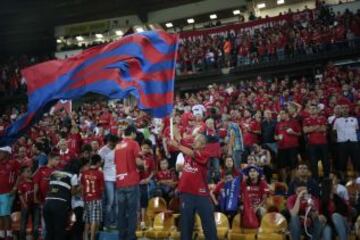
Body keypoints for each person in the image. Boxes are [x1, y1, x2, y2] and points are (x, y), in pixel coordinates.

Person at [169, 134, 217, 240]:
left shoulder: (205, 154)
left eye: (198, 141)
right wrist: (178, 137)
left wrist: (177, 145)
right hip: (186, 194)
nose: (194, 142)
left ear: (204, 145)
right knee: (186, 225)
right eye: (194, 140)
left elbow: (191, 152)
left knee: (208, 224)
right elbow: (186, 146)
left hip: (201, 195)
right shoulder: (188, 155)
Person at [114, 125, 144, 240]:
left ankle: (121, 236)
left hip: (120, 182)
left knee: (121, 212)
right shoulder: (133, 143)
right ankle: (131, 237)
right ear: (131, 133)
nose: (136, 136)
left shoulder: (117, 146)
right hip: (131, 181)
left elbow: (116, 163)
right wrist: (143, 167)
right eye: (135, 133)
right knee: (132, 212)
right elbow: (138, 162)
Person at [43, 161, 80, 240]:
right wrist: (79, 188)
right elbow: (73, 193)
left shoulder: (54, 173)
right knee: (59, 231)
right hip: (60, 204)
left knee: (49, 231)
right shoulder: (73, 175)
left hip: (47, 203)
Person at [33, 152, 60, 240]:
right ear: (50, 159)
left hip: (55, 202)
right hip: (43, 201)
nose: (58, 162)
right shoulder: (41, 170)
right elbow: (36, 184)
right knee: (44, 225)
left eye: (59, 160)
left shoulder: (58, 171)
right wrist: (35, 197)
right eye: (56, 159)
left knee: (55, 224)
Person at [303, 104, 329, 180]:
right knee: (313, 163)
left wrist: (311, 128)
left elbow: (324, 129)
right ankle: (315, 180)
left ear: (317, 110)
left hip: (323, 143)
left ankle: (326, 179)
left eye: (314, 108)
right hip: (312, 144)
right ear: (308, 110)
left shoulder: (323, 118)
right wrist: (318, 126)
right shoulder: (306, 119)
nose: (313, 110)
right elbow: (305, 130)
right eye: (311, 109)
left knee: (326, 162)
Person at [81, 155, 104, 240]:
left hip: (86, 198)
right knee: (94, 219)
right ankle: (92, 238)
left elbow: (82, 186)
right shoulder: (100, 173)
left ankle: (85, 237)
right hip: (96, 198)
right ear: (98, 163)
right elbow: (102, 188)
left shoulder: (84, 173)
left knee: (87, 219)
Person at [98, 134, 118, 230]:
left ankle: (115, 222)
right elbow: (99, 164)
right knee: (110, 201)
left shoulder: (118, 149)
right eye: (111, 143)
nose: (112, 144)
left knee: (116, 202)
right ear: (108, 141)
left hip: (117, 178)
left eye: (114, 143)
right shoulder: (102, 151)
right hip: (107, 178)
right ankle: (107, 223)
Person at [333, 105, 360, 177]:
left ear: (349, 109)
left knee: (356, 160)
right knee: (342, 160)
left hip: (353, 142)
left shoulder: (354, 119)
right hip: (342, 143)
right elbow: (334, 131)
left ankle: (358, 176)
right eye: (343, 108)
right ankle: (343, 177)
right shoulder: (337, 120)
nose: (345, 109)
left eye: (346, 108)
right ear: (341, 109)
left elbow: (357, 129)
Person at [0, 146, 20, 240]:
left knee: (5, 214)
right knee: (0, 214)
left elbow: (19, 176)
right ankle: (1, 234)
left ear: (7, 153)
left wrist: (15, 188)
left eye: (1, 152)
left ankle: (9, 234)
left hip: (7, 192)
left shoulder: (14, 162)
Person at [139, 139, 155, 229]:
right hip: (137, 183)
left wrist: (148, 179)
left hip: (145, 183)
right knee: (138, 203)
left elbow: (153, 171)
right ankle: (137, 222)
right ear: (141, 147)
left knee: (144, 203)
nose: (146, 150)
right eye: (144, 148)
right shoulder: (137, 157)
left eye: (147, 148)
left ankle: (143, 222)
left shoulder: (150, 158)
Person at [18, 166, 36, 240]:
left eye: (30, 171)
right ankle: (22, 238)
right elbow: (20, 195)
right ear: (22, 174)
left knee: (35, 223)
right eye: (27, 171)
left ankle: (32, 237)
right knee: (23, 223)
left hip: (34, 205)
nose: (30, 172)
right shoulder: (21, 184)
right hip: (25, 205)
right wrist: (24, 204)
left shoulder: (34, 182)